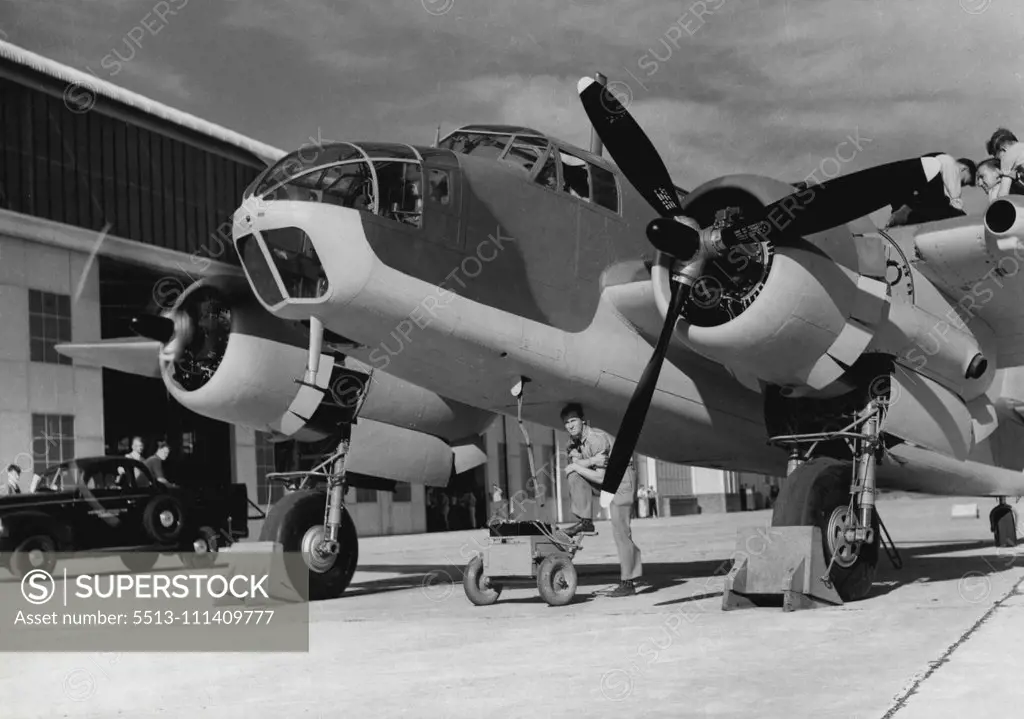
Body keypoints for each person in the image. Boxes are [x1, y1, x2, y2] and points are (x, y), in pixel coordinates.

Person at [560, 403, 642, 597]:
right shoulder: (571, 444)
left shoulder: (597, 439)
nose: (570, 426)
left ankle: (628, 582)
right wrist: (587, 463)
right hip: (603, 477)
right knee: (574, 475)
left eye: (573, 421)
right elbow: (574, 466)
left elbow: (601, 478)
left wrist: (578, 466)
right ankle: (585, 521)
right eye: (566, 423)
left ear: (583, 421)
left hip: (621, 480)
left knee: (620, 530)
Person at [886, 153, 976, 227]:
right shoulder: (950, 163)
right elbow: (954, 198)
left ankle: (900, 218)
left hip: (903, 192)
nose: (960, 185)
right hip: (915, 194)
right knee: (956, 214)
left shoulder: (936, 162)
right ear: (963, 168)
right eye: (963, 182)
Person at [986, 128, 1024, 199]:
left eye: (998, 159)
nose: (1000, 163)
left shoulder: (1007, 156)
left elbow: (1002, 196)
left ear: (1003, 149)